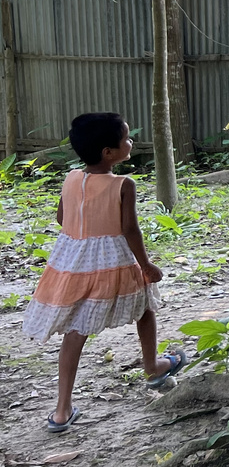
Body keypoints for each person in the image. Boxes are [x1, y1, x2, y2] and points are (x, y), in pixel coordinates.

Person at [22, 113, 188, 432]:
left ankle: (61, 410)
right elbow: (130, 230)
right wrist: (146, 264)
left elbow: (60, 217)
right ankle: (153, 367)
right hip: (114, 261)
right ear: (108, 153)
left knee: (76, 331)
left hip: (72, 262)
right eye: (126, 139)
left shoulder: (71, 177)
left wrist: (83, 235)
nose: (131, 142)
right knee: (144, 307)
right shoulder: (124, 184)